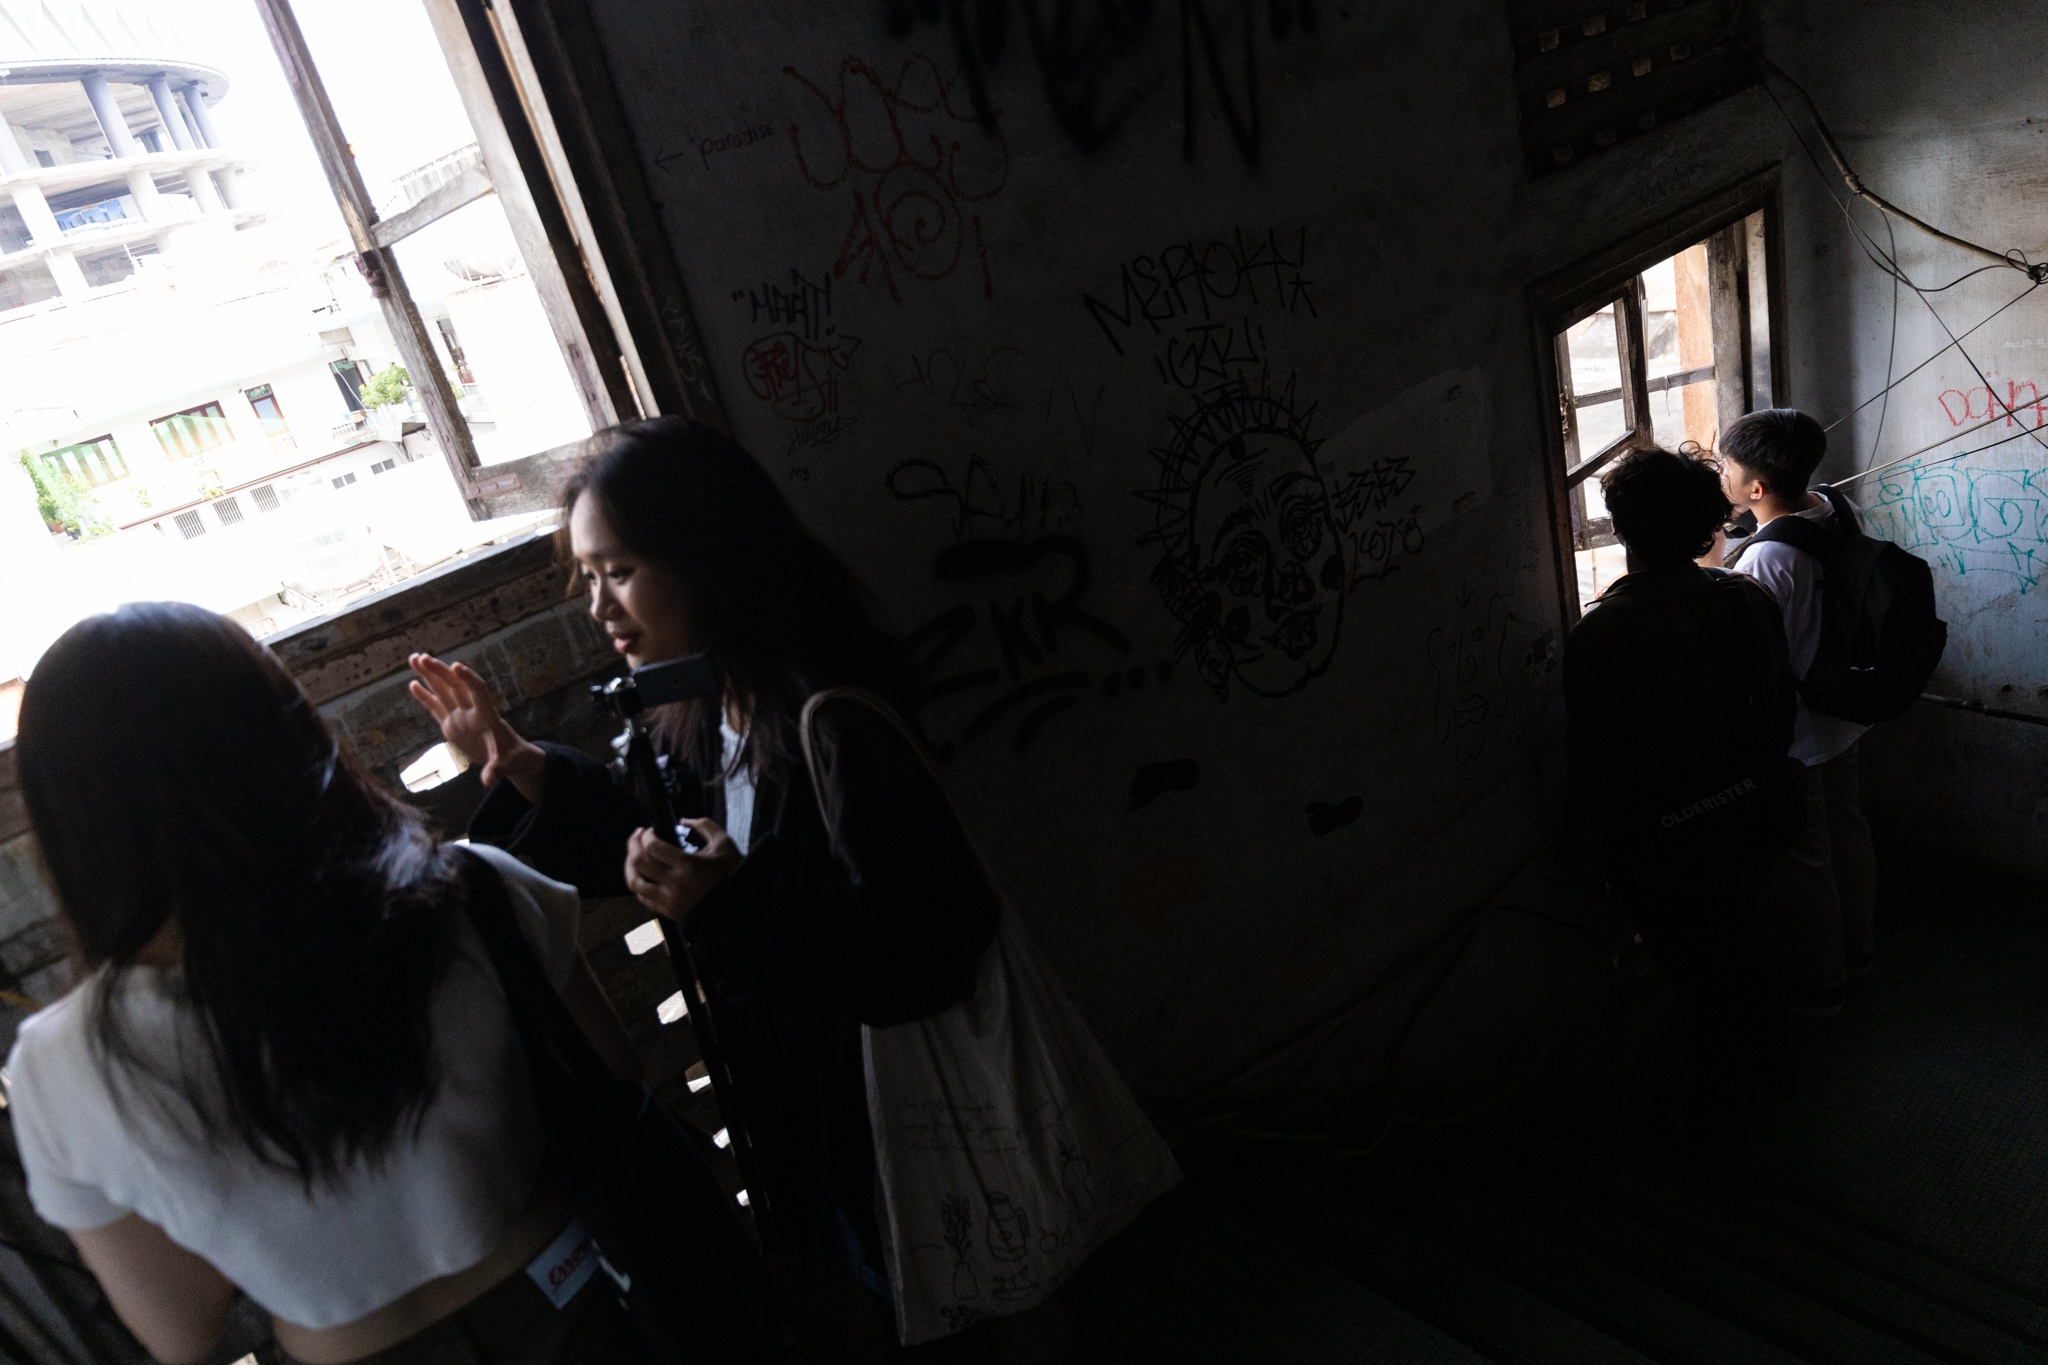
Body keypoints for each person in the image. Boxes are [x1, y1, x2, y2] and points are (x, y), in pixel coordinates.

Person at [407, 417, 1074, 1362]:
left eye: (620, 570)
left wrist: (730, 903)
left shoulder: (830, 716)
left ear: (707, 556)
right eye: (587, 576)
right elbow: (653, 840)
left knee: (987, 1303)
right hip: (808, 1122)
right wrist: (527, 768)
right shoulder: (703, 702)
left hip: (904, 1111)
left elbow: (927, 948)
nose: (598, 607)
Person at [5, 603, 661, 1365]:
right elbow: (616, 1076)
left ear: (71, 820)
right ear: (285, 736)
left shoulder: (60, 1067)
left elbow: (182, 1330)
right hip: (585, 1306)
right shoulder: (473, 893)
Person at [1566, 448, 1802, 1111]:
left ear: (1621, 528)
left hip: (1666, 839)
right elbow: (1779, 707)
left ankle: (1720, 1103)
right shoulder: (1744, 597)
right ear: (1707, 525)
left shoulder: (1603, 631)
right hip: (1753, 812)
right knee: (1747, 941)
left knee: (1695, 974)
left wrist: (1596, 846)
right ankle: (1773, 1070)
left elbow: (1597, 762)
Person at [1716, 408, 1877, 1016]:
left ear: (1755, 488)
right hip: (1844, 710)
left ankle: (1821, 981)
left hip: (1799, 733)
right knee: (1849, 830)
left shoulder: (1763, 563)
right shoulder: (1836, 507)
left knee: (1805, 856)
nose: (1722, 473)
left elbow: (1754, 656)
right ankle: (1858, 950)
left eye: (1728, 466)